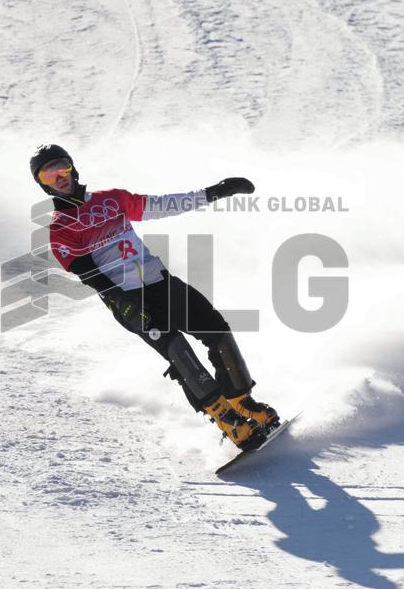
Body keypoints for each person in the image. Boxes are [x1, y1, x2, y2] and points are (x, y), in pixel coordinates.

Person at [29, 143, 279, 450]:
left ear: (73, 167)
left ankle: (241, 401)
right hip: (129, 300)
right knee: (178, 350)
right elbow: (87, 271)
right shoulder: (61, 227)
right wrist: (122, 300)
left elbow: (163, 205)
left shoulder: (112, 199)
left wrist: (214, 191)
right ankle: (227, 421)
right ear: (41, 183)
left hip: (160, 283)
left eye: (62, 167)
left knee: (217, 331)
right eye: (48, 174)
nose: (59, 176)